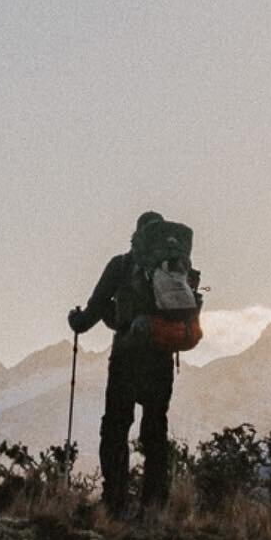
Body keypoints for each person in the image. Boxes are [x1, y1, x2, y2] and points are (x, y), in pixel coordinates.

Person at [68, 211, 199, 518]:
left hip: (127, 356)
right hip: (162, 357)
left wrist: (77, 321)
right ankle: (154, 505)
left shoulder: (122, 265)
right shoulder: (175, 270)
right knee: (155, 430)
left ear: (137, 236)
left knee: (115, 426)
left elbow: (93, 313)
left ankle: (114, 503)